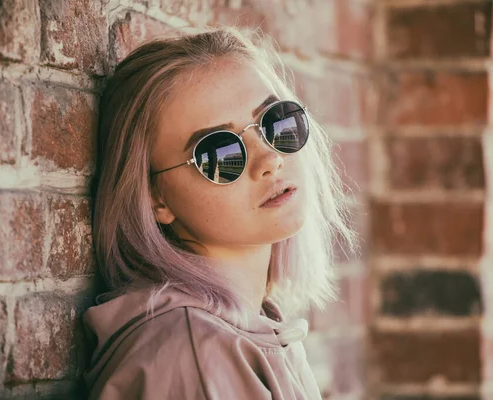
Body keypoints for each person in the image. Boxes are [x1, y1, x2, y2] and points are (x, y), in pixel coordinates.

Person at [82, 25, 357, 399]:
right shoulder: (194, 356)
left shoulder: (248, 327)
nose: (270, 160)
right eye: (219, 153)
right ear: (155, 198)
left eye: (274, 122)